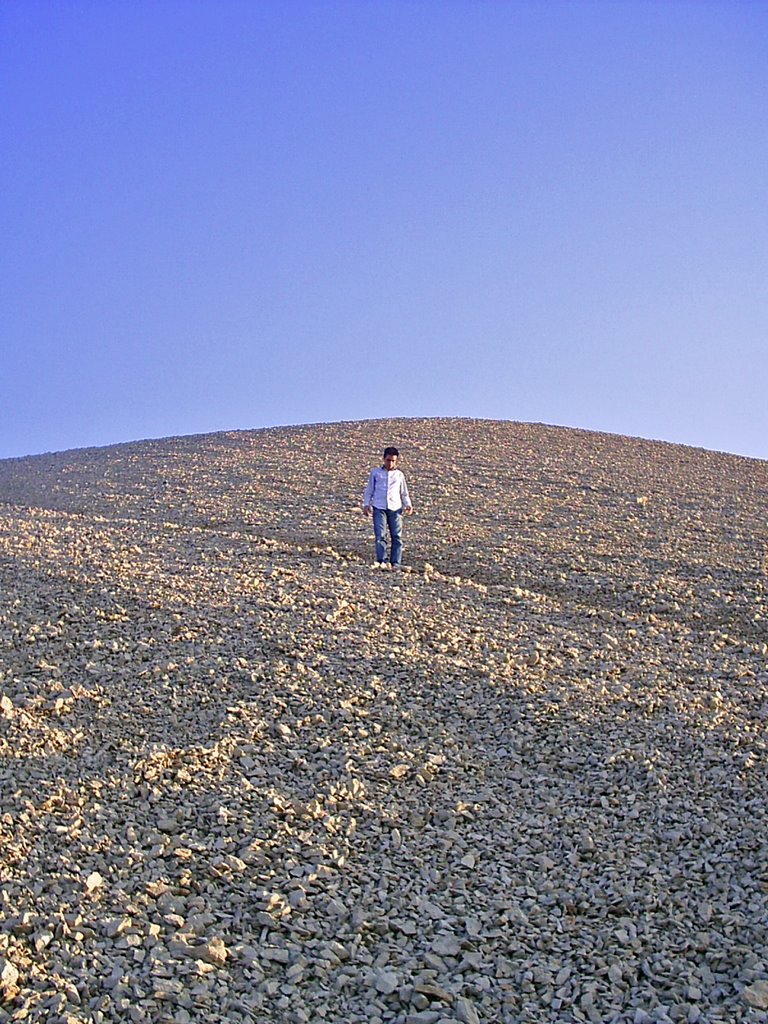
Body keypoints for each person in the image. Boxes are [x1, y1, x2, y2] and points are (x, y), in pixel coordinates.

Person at [362, 447, 414, 568]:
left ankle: (396, 562)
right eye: (388, 460)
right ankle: (382, 561)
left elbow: (404, 492)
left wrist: (408, 504)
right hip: (379, 507)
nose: (390, 463)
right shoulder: (375, 473)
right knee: (380, 535)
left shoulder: (399, 475)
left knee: (396, 536)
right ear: (383, 459)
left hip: (395, 508)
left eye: (393, 461)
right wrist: (366, 504)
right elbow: (369, 490)